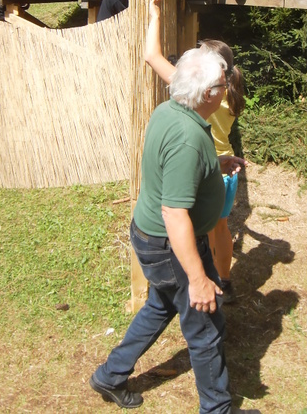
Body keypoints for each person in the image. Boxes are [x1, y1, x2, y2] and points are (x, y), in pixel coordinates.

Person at [89, 47, 252, 413]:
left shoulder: (171, 111)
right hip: (171, 246)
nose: (226, 89)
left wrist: (214, 164)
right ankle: (217, 410)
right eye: (223, 85)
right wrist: (197, 279)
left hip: (152, 237)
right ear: (208, 93)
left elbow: (174, 168)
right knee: (206, 328)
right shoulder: (187, 138)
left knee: (160, 305)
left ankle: (110, 375)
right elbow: (175, 213)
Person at [144, 0, 246, 303]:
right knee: (221, 230)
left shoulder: (200, 91)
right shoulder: (229, 93)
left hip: (201, 172)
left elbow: (151, 55)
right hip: (225, 169)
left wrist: (155, 15)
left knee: (195, 234)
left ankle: (198, 283)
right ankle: (225, 281)